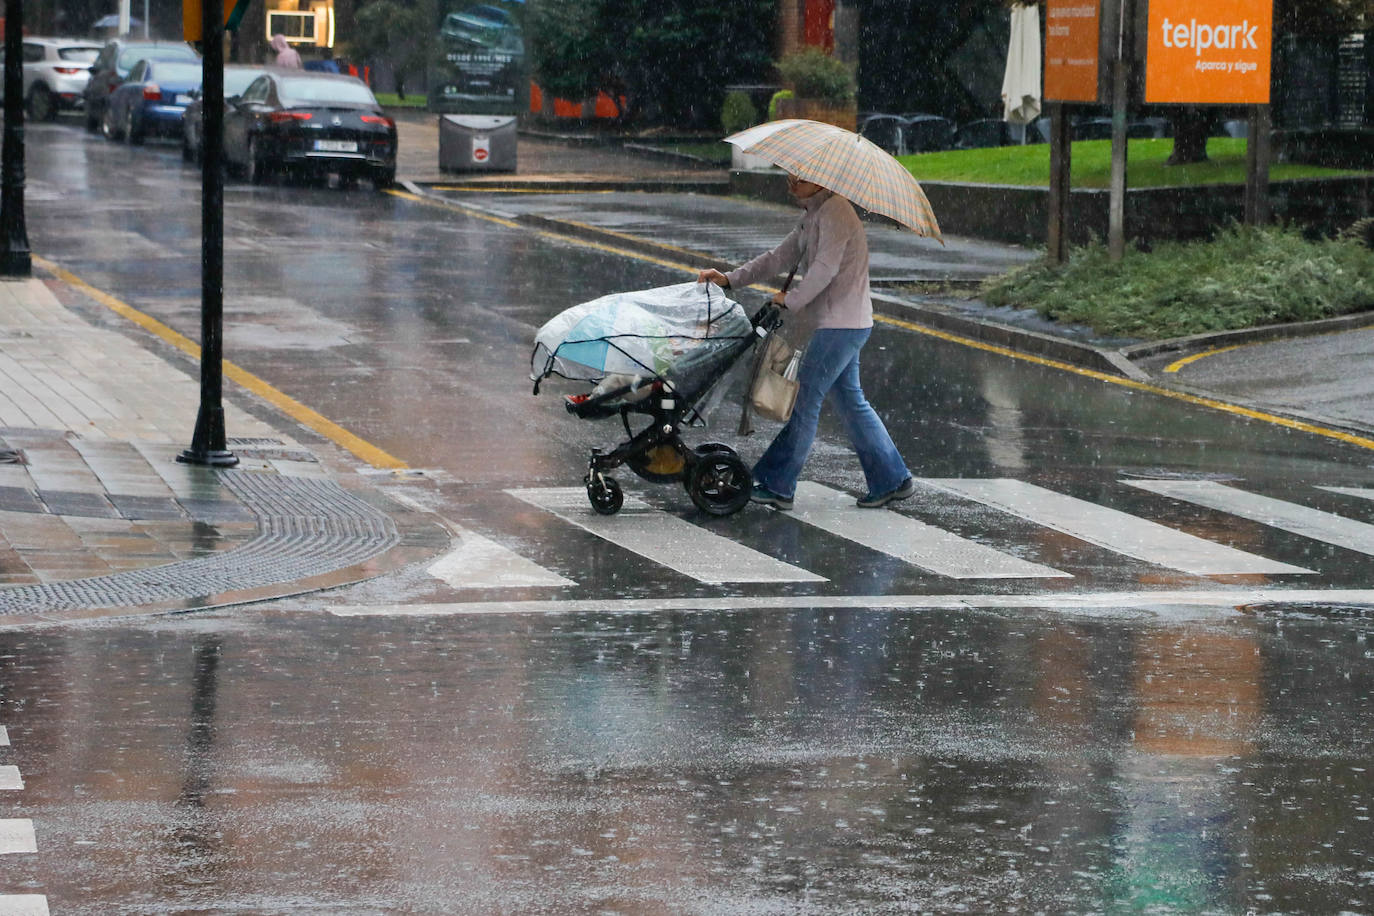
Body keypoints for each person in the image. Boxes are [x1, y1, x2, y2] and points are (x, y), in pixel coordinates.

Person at [698, 173, 915, 511]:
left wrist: (792, 299)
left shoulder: (836, 213)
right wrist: (730, 279)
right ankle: (892, 478)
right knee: (850, 402)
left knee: (805, 400)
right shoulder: (813, 215)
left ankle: (777, 482)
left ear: (824, 182)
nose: (791, 184)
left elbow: (825, 269)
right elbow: (777, 258)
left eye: (799, 179)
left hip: (841, 325)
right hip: (843, 323)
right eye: (789, 178)